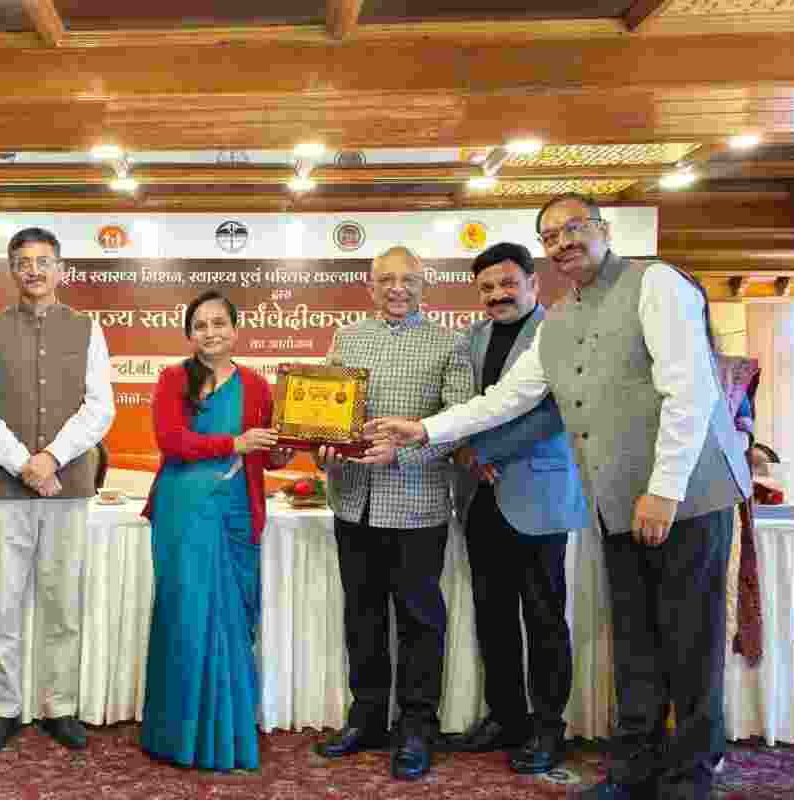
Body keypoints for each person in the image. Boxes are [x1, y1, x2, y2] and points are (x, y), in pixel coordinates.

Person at [367, 193, 752, 800]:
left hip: (686, 499)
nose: (564, 241)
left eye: (574, 228)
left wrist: (664, 489)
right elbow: (507, 399)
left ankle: (689, 779)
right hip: (618, 502)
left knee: (689, 642)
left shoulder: (657, 284)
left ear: (602, 229)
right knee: (634, 642)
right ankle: (633, 772)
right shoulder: (563, 317)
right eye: (551, 235)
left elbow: (691, 390)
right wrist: (425, 429)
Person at [312, 245, 473, 781]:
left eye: (407, 279)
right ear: (370, 284)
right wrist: (322, 444)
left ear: (425, 284)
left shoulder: (449, 344)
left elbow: (457, 425)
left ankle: (416, 727)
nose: (397, 288)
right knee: (362, 616)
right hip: (353, 501)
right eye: (386, 279)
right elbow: (325, 411)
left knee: (419, 622)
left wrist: (402, 451)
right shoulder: (346, 339)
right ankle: (368, 718)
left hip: (417, 507)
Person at [0, 227, 115, 753]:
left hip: (68, 486)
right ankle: (3, 708)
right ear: (11, 269)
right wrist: (25, 463)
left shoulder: (88, 329)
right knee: (2, 605)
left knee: (63, 605)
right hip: (2, 491)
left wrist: (52, 458)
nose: (34, 270)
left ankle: (60, 706)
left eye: (44, 261)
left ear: (61, 269)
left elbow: (100, 407)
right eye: (24, 262)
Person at [436, 242, 587, 775]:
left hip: (538, 495)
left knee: (544, 617)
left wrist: (484, 451)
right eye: (487, 288)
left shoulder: (559, 333)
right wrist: (462, 452)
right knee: (493, 615)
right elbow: (459, 407)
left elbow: (556, 410)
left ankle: (549, 728)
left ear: (532, 283)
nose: (498, 295)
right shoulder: (471, 338)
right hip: (479, 496)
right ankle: (506, 718)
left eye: (508, 284)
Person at [141, 290, 294, 771]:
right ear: (190, 334)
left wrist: (282, 452)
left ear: (235, 328)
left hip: (235, 509)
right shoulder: (172, 379)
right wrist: (235, 442)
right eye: (201, 325)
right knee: (186, 615)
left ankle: (227, 730)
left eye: (220, 323)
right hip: (185, 509)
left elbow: (268, 451)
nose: (211, 332)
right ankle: (177, 734)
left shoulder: (256, 384)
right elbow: (171, 441)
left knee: (232, 618)